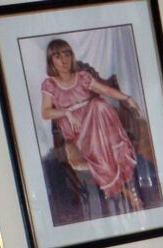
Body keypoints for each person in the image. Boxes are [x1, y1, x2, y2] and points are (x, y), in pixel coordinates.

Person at [40, 38, 144, 212]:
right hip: (76, 129)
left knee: (99, 104)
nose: (64, 60)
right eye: (58, 56)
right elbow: (45, 112)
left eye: (67, 54)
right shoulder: (49, 84)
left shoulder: (82, 77)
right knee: (98, 107)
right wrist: (66, 113)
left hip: (98, 123)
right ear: (51, 61)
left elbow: (105, 90)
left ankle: (123, 187)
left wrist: (127, 98)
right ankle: (126, 191)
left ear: (71, 56)